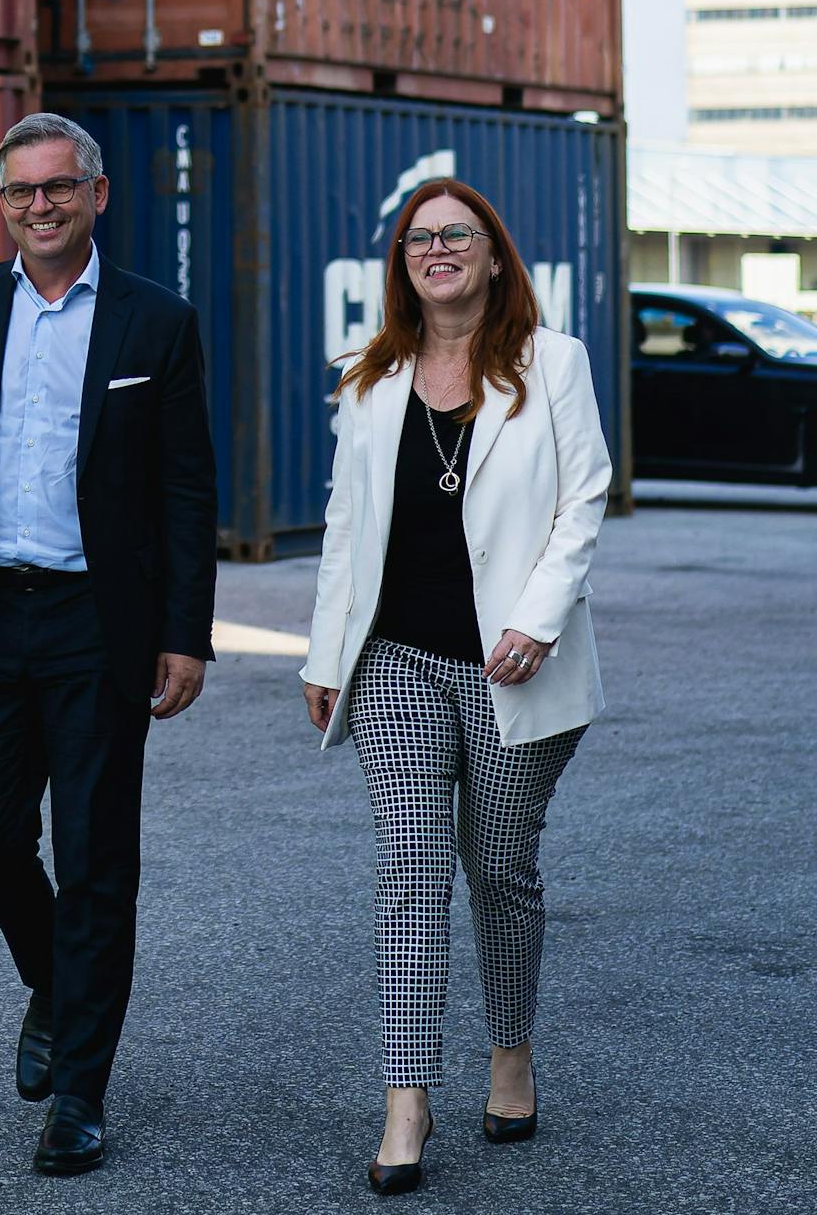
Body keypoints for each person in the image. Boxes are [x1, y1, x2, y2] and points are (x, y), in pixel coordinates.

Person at [0, 111, 217, 1177]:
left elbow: (182, 487)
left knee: (96, 860)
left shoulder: (154, 323)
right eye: (19, 192)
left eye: (57, 189)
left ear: (97, 194)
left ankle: (78, 1093)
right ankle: (54, 981)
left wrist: (184, 632)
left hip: (97, 627)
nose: (38, 208)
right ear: (1, 203)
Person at [300, 179, 611, 1198]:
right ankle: (405, 1098)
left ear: (489, 255)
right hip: (395, 658)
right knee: (407, 868)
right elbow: (344, 526)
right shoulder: (367, 379)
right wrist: (320, 652)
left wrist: (536, 617)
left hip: (512, 662)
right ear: (401, 263)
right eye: (416, 238)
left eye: (454, 237)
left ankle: (509, 1049)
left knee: (500, 870)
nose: (434, 251)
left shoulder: (550, 363)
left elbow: (581, 500)